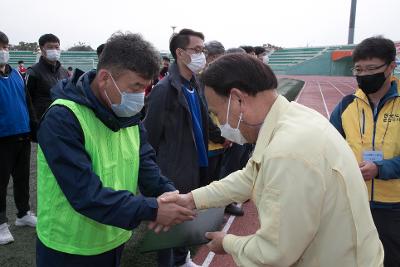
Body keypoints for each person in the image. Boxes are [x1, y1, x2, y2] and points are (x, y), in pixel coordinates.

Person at [159, 53, 384, 267]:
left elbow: (274, 253)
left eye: (216, 113)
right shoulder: (293, 117)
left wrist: (227, 243)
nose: (219, 124)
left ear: (237, 99)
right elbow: (250, 176)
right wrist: (191, 199)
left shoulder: (287, 152)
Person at [35, 32, 195, 267]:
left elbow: (146, 164)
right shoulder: (63, 117)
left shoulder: (126, 112)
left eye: (146, 87)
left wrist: (170, 195)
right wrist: (151, 210)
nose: (141, 96)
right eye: (136, 86)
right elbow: (85, 193)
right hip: (69, 247)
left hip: (114, 237)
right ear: (104, 79)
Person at [330, 36, 400, 267]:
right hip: (353, 199)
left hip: (393, 205)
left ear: (391, 66)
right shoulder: (346, 104)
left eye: (371, 69)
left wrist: (381, 168)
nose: (364, 75)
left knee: (390, 259)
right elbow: (329, 145)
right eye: (358, 69)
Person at [144, 28, 208, 267]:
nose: (202, 54)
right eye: (197, 50)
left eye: (204, 49)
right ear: (180, 53)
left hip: (196, 162)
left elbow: (201, 119)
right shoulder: (164, 90)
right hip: (173, 167)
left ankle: (182, 259)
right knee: (170, 221)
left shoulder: (195, 83)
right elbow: (149, 136)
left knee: (187, 214)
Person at [0, 31, 37, 245]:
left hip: (21, 136)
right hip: (2, 139)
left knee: (22, 179)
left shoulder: (16, 74)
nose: (3, 51)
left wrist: (33, 128)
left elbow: (28, 103)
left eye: (5, 46)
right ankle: (1, 224)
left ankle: (23, 214)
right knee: (0, 183)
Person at [202, 41, 243, 216]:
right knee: (208, 179)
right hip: (211, 140)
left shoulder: (220, 79)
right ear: (210, 57)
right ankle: (206, 214)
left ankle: (222, 205)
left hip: (222, 137)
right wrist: (221, 136)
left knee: (221, 175)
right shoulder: (203, 81)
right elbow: (206, 114)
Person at [26, 33, 69, 119]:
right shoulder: (33, 72)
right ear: (42, 49)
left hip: (62, 120)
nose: (54, 50)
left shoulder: (64, 72)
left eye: (57, 47)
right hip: (41, 120)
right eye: (50, 47)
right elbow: (27, 100)